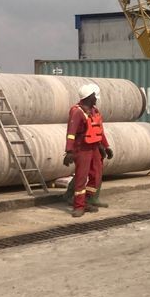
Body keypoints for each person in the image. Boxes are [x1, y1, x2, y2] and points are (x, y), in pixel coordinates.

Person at [63, 83, 113, 219]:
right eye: (95, 96)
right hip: (82, 148)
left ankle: (87, 200)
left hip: (95, 147)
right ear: (89, 97)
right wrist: (69, 151)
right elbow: (71, 133)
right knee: (81, 177)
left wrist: (106, 146)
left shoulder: (94, 111)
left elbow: (99, 131)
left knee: (96, 174)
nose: (96, 99)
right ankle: (79, 206)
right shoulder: (77, 112)